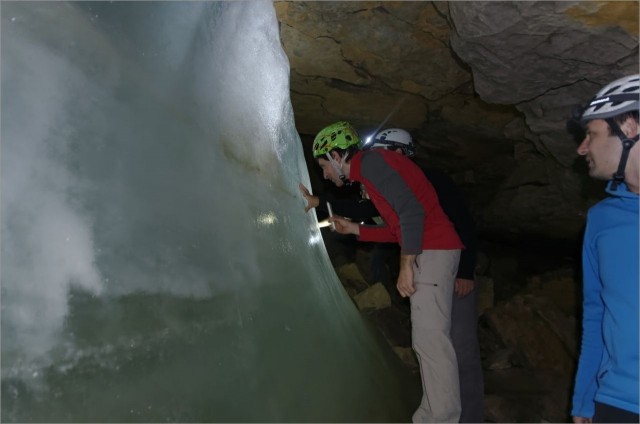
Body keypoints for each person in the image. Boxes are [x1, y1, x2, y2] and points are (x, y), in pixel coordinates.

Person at [301, 128, 484, 423]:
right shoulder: (371, 172)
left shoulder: (373, 163)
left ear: (336, 157)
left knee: (432, 340)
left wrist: (406, 265)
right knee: (426, 340)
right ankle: (429, 416)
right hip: (433, 248)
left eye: (323, 166)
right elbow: (398, 228)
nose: (324, 174)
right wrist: (356, 229)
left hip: (433, 250)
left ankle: (443, 417)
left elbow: (412, 213)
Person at [571, 74, 639, 423]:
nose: (583, 148)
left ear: (629, 126)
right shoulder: (602, 220)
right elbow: (597, 312)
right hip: (617, 404)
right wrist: (584, 400)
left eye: (592, 134)